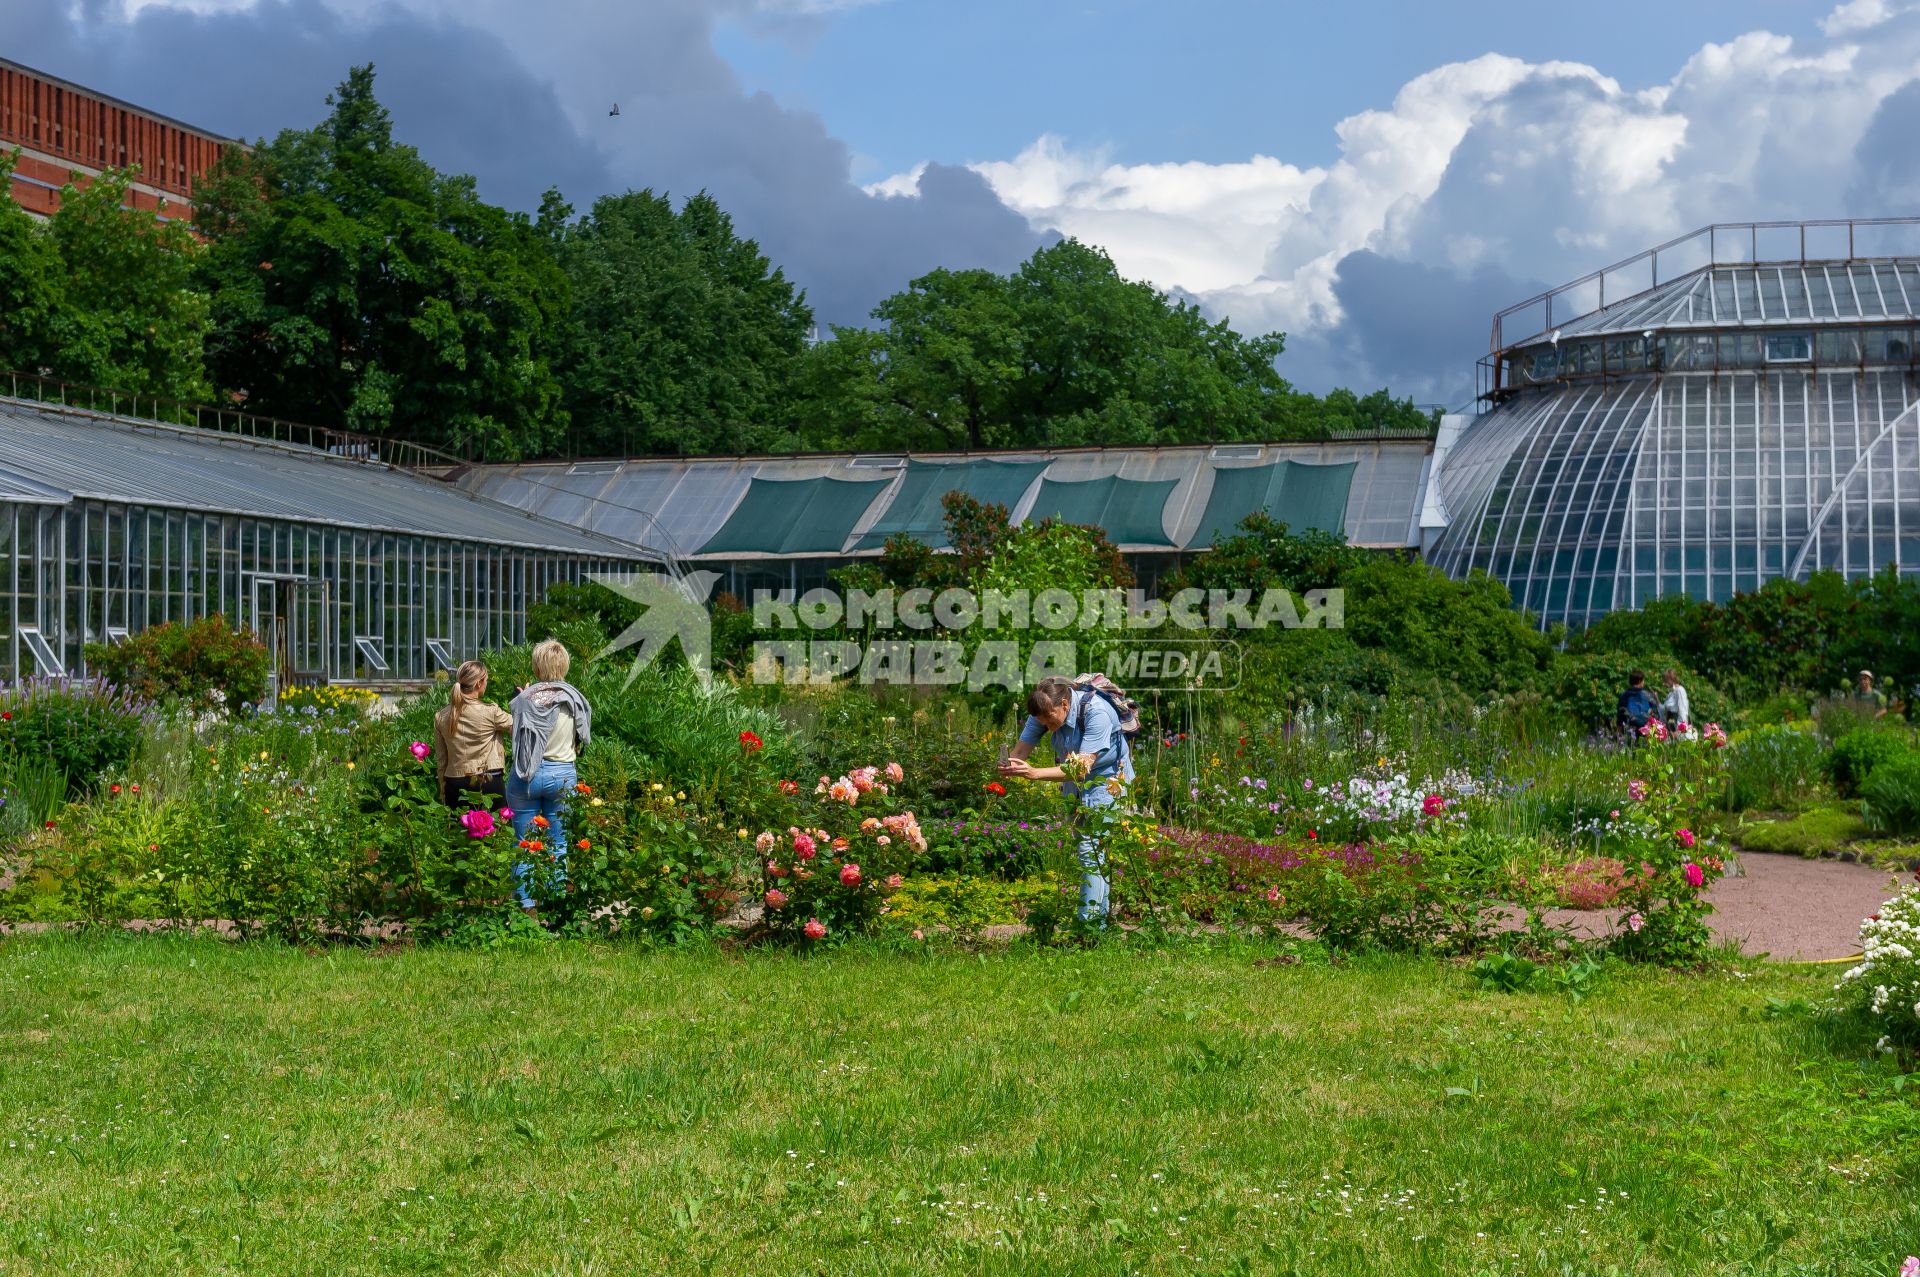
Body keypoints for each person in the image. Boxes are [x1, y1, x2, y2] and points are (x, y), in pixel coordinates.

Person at [999, 675, 1135, 924]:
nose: (1046, 726)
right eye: (1041, 722)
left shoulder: (1097, 713)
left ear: (1064, 704)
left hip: (1107, 780)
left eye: (1050, 720)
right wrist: (1008, 766)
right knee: (1092, 852)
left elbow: (1080, 768)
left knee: (1090, 850)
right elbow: (1020, 753)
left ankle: (1089, 925)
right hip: (1073, 780)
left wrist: (1033, 773)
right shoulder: (1043, 710)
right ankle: (1099, 924)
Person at [507, 640, 593, 907]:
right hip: (562, 775)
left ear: (537, 665)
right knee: (558, 842)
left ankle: (525, 908)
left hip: (526, 777)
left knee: (523, 844)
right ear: (564, 664)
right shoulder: (575, 699)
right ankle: (556, 907)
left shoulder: (524, 699)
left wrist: (525, 694)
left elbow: (519, 727)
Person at [433, 660, 512, 809]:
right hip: (488, 780)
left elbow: (441, 759)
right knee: (498, 830)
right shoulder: (491, 712)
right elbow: (518, 725)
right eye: (486, 680)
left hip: (454, 782)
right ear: (478, 684)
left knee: (459, 831)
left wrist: (443, 790)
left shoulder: (441, 716)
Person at [1616, 669, 1658, 742]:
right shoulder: (1648, 695)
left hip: (1630, 730)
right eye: (1643, 680)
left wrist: (1619, 733)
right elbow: (1655, 714)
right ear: (1639, 681)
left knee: (1631, 751)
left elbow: (1620, 716)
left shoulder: (1624, 695)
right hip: (1646, 731)